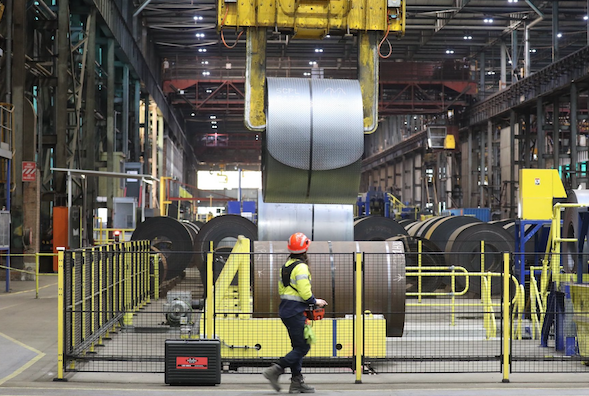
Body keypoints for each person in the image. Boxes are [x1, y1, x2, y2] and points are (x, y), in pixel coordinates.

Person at [263, 232, 327, 394]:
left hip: (287, 310)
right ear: (305, 249)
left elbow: (282, 290)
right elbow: (305, 293)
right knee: (303, 347)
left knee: (297, 346)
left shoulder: (286, 266)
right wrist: (315, 301)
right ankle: (275, 369)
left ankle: (296, 382)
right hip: (295, 312)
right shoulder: (301, 267)